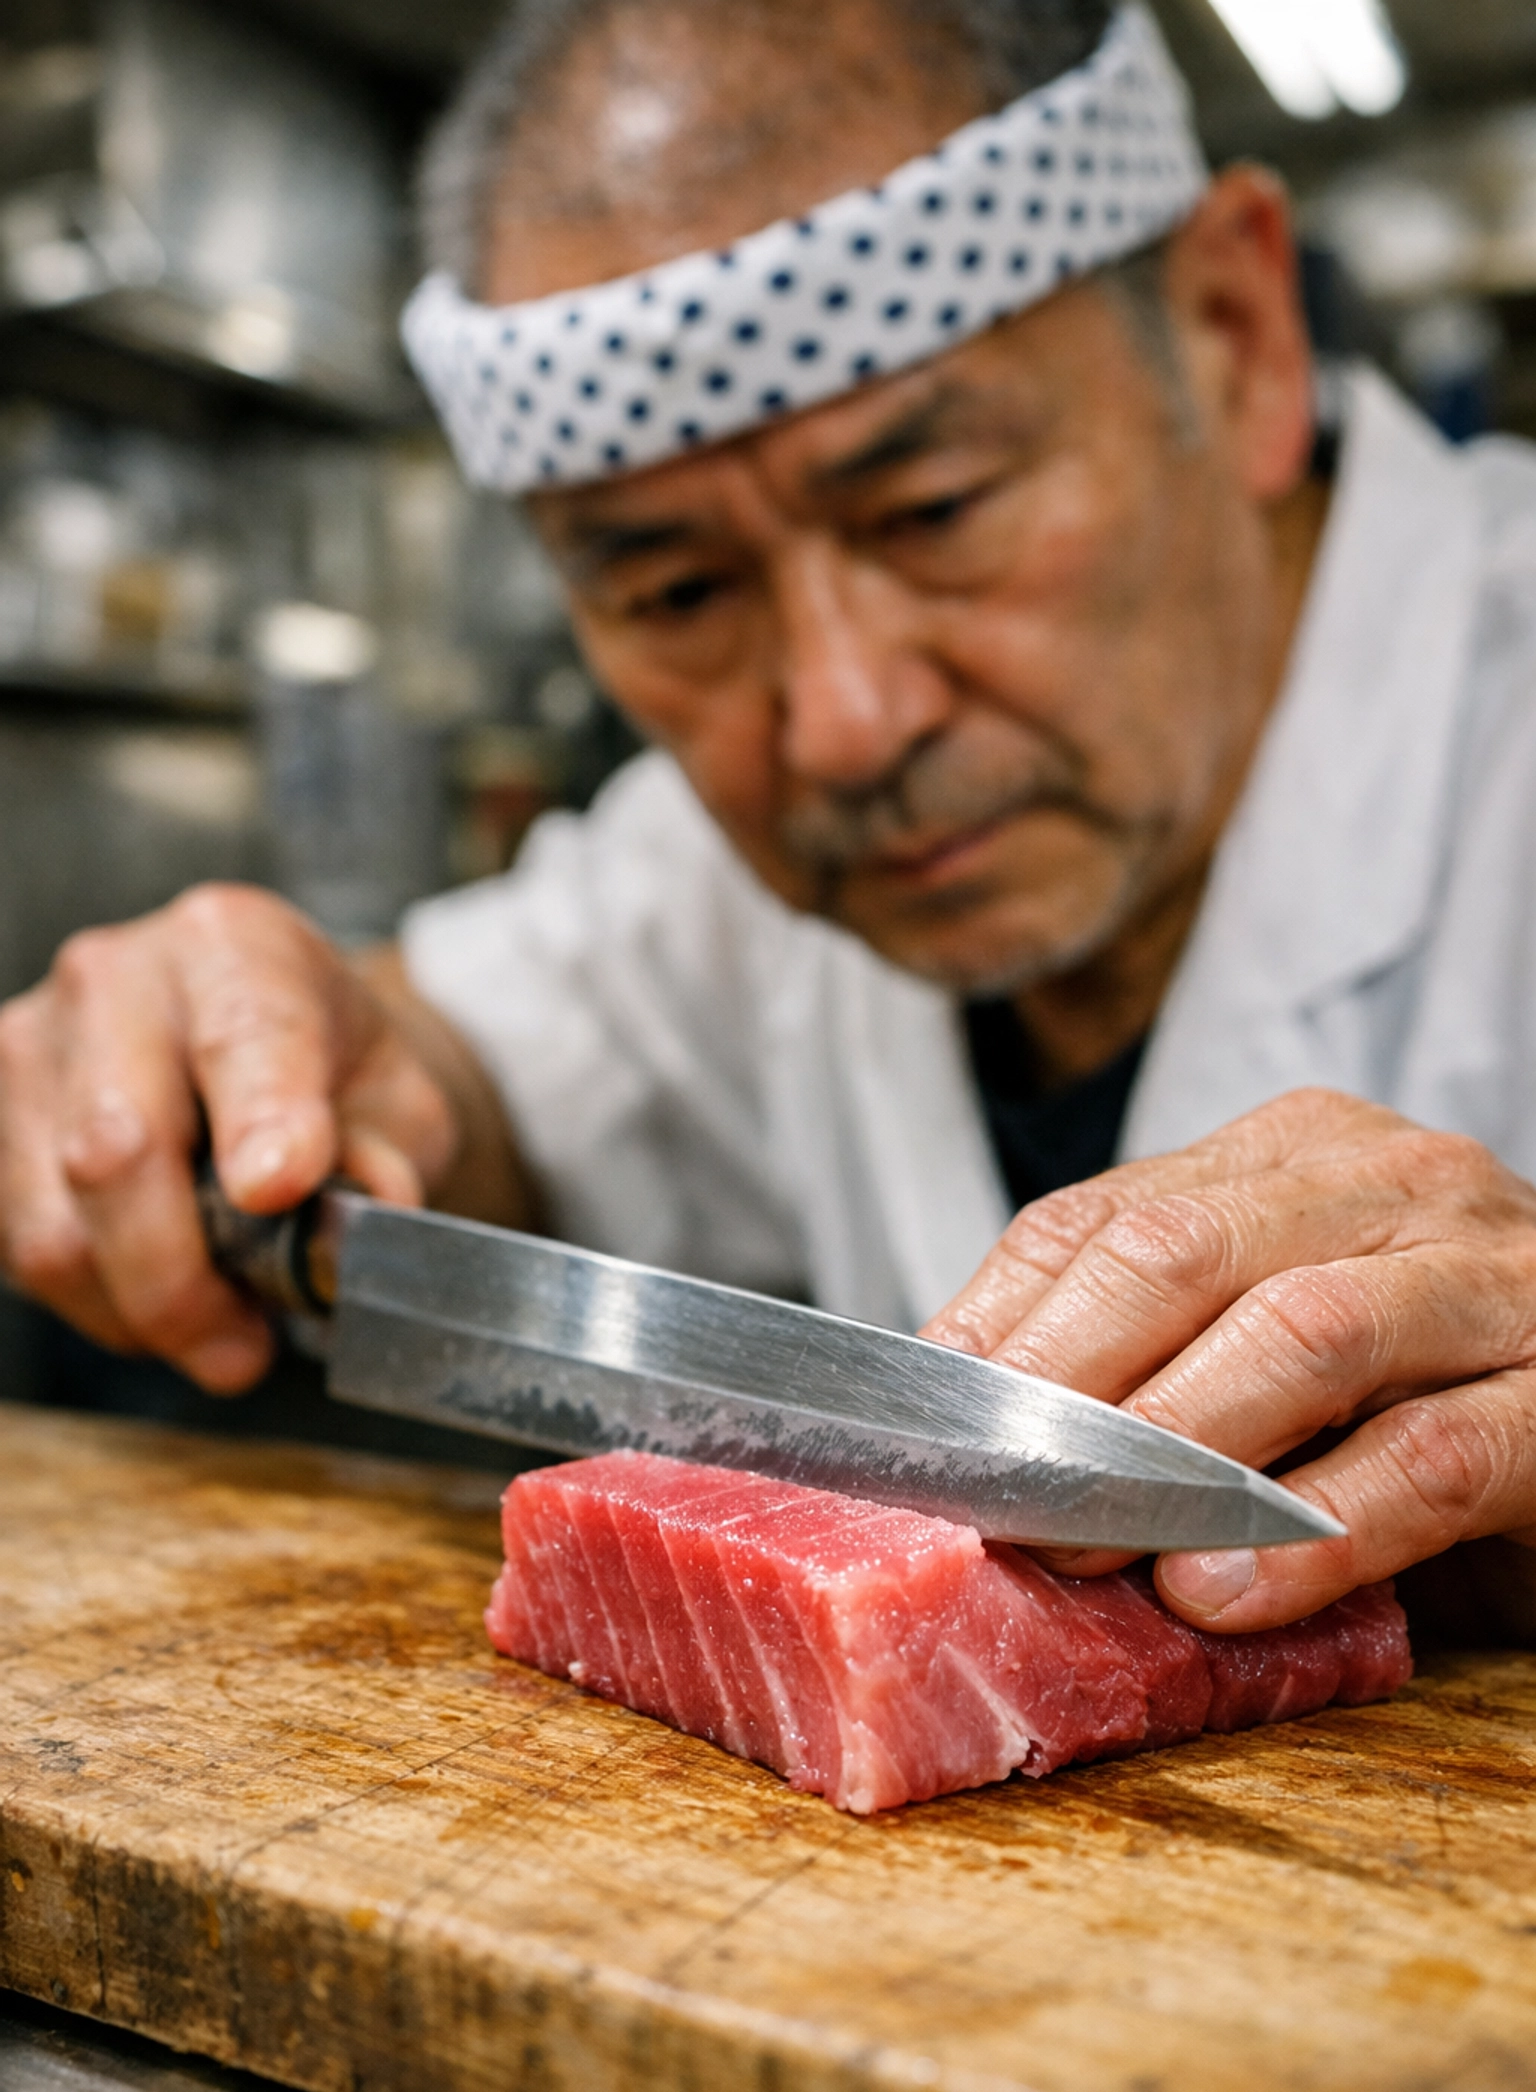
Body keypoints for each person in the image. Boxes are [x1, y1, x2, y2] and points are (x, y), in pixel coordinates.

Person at [6, 0, 1536, 1644]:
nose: (843, 720)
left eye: (936, 508)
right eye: (676, 589)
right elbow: (455, 1070)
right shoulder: (721, 867)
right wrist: (260, 1056)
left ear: (1236, 333)